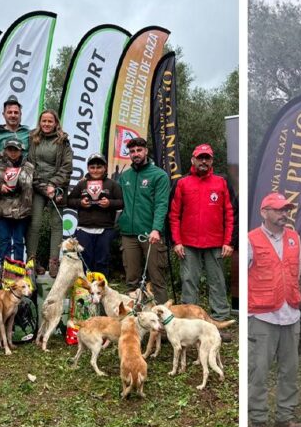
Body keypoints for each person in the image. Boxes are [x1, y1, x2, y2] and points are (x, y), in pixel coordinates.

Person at [248, 192, 301, 427]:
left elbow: (297, 273)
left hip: (291, 313)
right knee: (258, 371)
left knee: (290, 370)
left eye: (287, 210)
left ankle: (285, 415)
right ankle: (257, 420)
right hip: (263, 316)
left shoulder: (294, 238)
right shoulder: (251, 239)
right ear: (265, 212)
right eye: (279, 209)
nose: (285, 214)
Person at [169, 144, 234, 320]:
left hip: (216, 243)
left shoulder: (222, 182)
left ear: (212, 160)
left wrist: (229, 241)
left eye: (207, 158)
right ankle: (189, 320)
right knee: (189, 281)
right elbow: (173, 215)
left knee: (217, 282)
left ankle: (219, 318)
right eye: (200, 158)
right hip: (188, 244)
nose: (203, 161)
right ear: (193, 159)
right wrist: (177, 242)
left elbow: (230, 213)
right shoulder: (182, 183)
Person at [117, 137, 171, 305]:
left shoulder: (159, 175)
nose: (136, 154)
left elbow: (162, 204)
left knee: (157, 279)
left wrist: (156, 229)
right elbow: (117, 202)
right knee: (131, 280)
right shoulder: (125, 176)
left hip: (150, 234)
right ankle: (135, 319)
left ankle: (162, 321)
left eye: (139, 150)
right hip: (128, 234)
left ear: (146, 151)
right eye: (132, 152)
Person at [26, 109, 73, 276]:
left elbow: (67, 166)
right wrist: (42, 186)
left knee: (56, 224)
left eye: (49, 121)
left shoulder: (63, 141)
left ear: (56, 123)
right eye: (43, 121)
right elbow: (29, 164)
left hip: (57, 187)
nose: (46, 124)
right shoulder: (33, 139)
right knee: (35, 223)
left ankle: (54, 262)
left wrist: (53, 184)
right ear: (40, 122)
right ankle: (31, 261)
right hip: (37, 186)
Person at [67, 153, 123, 276]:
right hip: (84, 228)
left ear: (105, 168)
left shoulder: (112, 184)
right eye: (92, 167)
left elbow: (122, 203)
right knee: (84, 261)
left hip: (105, 229)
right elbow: (69, 201)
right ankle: (84, 291)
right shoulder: (82, 184)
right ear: (88, 168)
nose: (96, 170)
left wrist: (109, 203)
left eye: (99, 167)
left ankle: (101, 290)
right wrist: (80, 203)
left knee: (102, 261)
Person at [0, 138, 34, 262]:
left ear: (21, 151)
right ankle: (5, 267)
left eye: (16, 150)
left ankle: (19, 267)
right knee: (4, 239)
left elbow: (37, 183)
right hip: (4, 210)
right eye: (10, 149)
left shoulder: (29, 166)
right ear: (5, 150)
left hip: (22, 211)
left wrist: (51, 191)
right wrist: (0, 186)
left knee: (19, 241)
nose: (13, 152)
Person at [0, 97, 31, 180]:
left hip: (25, 182)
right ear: (3, 114)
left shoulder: (29, 133)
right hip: (3, 183)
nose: (13, 115)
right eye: (9, 112)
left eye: (16, 112)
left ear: (20, 114)